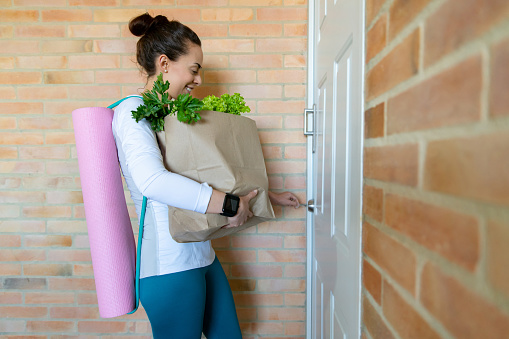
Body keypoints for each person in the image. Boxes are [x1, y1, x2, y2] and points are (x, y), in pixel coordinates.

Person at [112, 13, 301, 339]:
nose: (198, 80)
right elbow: (152, 181)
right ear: (165, 63)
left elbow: (205, 177)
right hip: (169, 266)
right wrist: (230, 205)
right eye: (194, 69)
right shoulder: (132, 113)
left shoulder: (174, 115)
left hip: (200, 253)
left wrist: (265, 197)